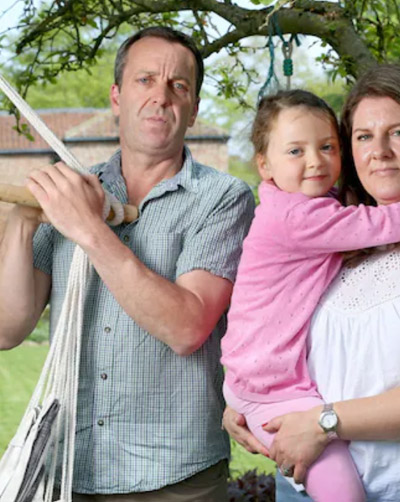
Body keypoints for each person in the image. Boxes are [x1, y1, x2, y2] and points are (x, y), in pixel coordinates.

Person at [224, 64, 400, 502]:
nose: (378, 151)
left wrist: (321, 422)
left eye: (399, 133)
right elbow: (279, 331)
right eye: (362, 136)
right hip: (304, 483)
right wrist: (248, 401)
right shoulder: (338, 241)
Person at [0, 27, 254, 500]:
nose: (161, 96)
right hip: (69, 467)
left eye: (178, 86)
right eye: (145, 80)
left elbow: (187, 326)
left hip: (175, 478)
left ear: (193, 109)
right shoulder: (74, 191)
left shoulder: (224, 199)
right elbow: (7, 330)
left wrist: (90, 230)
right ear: (117, 97)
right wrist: (21, 222)